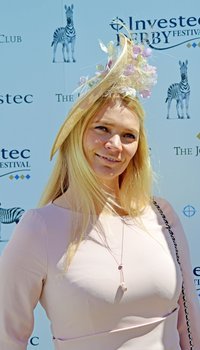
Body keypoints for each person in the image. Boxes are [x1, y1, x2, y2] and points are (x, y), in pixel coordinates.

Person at [0, 34, 200, 350]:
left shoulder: (163, 214)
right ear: (77, 134)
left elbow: (189, 326)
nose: (115, 146)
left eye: (128, 135)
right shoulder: (38, 228)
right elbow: (7, 339)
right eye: (102, 129)